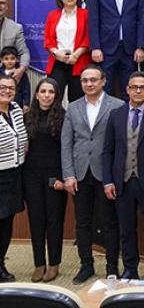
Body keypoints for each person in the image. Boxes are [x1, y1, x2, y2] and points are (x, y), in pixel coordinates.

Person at [102, 71, 144, 280]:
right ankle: (130, 268)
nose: (138, 91)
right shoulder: (116, 115)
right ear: (127, 90)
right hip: (122, 182)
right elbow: (108, 151)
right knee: (126, 230)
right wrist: (108, 181)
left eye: (142, 87)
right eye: (134, 87)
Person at [60, 65, 124, 283]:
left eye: (93, 80)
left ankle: (112, 266)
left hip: (106, 174)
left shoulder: (117, 105)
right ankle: (86, 265)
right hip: (80, 173)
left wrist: (115, 175)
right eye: (85, 80)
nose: (89, 84)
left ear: (103, 81)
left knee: (110, 222)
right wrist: (68, 174)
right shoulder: (73, 107)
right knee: (83, 222)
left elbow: (121, 144)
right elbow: (66, 143)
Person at [22, 78, 67, 283]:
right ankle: (39, 263)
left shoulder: (64, 117)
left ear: (56, 95)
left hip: (53, 177)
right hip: (31, 176)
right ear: (37, 94)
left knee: (54, 220)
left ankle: (54, 263)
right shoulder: (27, 117)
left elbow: (68, 150)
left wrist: (63, 178)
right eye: (43, 91)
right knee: (36, 219)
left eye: (51, 92)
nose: (47, 95)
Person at [86, 0, 144, 95]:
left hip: (129, 49)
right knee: (104, 88)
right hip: (105, 49)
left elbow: (141, 20)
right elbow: (93, 21)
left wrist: (140, 47)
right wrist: (95, 47)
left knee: (129, 88)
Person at [0, 74, 27, 282]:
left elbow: (22, 139)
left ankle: (1, 263)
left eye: (11, 88)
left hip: (15, 174)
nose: (7, 91)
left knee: (7, 221)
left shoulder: (16, 109)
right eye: (2, 87)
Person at [44, 0, 91, 103]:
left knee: (77, 100)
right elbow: (48, 39)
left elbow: (88, 37)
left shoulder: (85, 14)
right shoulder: (52, 15)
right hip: (58, 61)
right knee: (54, 98)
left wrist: (76, 55)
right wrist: (56, 53)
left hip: (78, 61)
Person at [0, 0, 31, 82]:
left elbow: (24, 53)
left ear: (6, 7)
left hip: (7, 74)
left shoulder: (16, 28)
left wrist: (21, 69)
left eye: (2, 3)